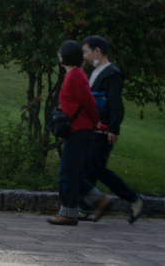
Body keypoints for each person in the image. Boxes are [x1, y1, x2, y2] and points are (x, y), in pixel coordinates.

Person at [77, 35, 146, 224]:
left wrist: (114, 128)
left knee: (95, 167)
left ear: (97, 51)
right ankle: (83, 207)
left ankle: (133, 198)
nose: (84, 56)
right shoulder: (94, 73)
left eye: (86, 52)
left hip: (105, 130)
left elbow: (116, 103)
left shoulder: (111, 73)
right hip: (91, 129)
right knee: (87, 167)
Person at [48, 39, 103, 226]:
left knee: (66, 174)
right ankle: (98, 200)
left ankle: (69, 213)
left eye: (60, 53)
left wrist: (96, 122)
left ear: (66, 56)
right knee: (73, 173)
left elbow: (88, 101)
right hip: (78, 130)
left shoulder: (76, 76)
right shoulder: (73, 75)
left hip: (80, 130)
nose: (58, 55)